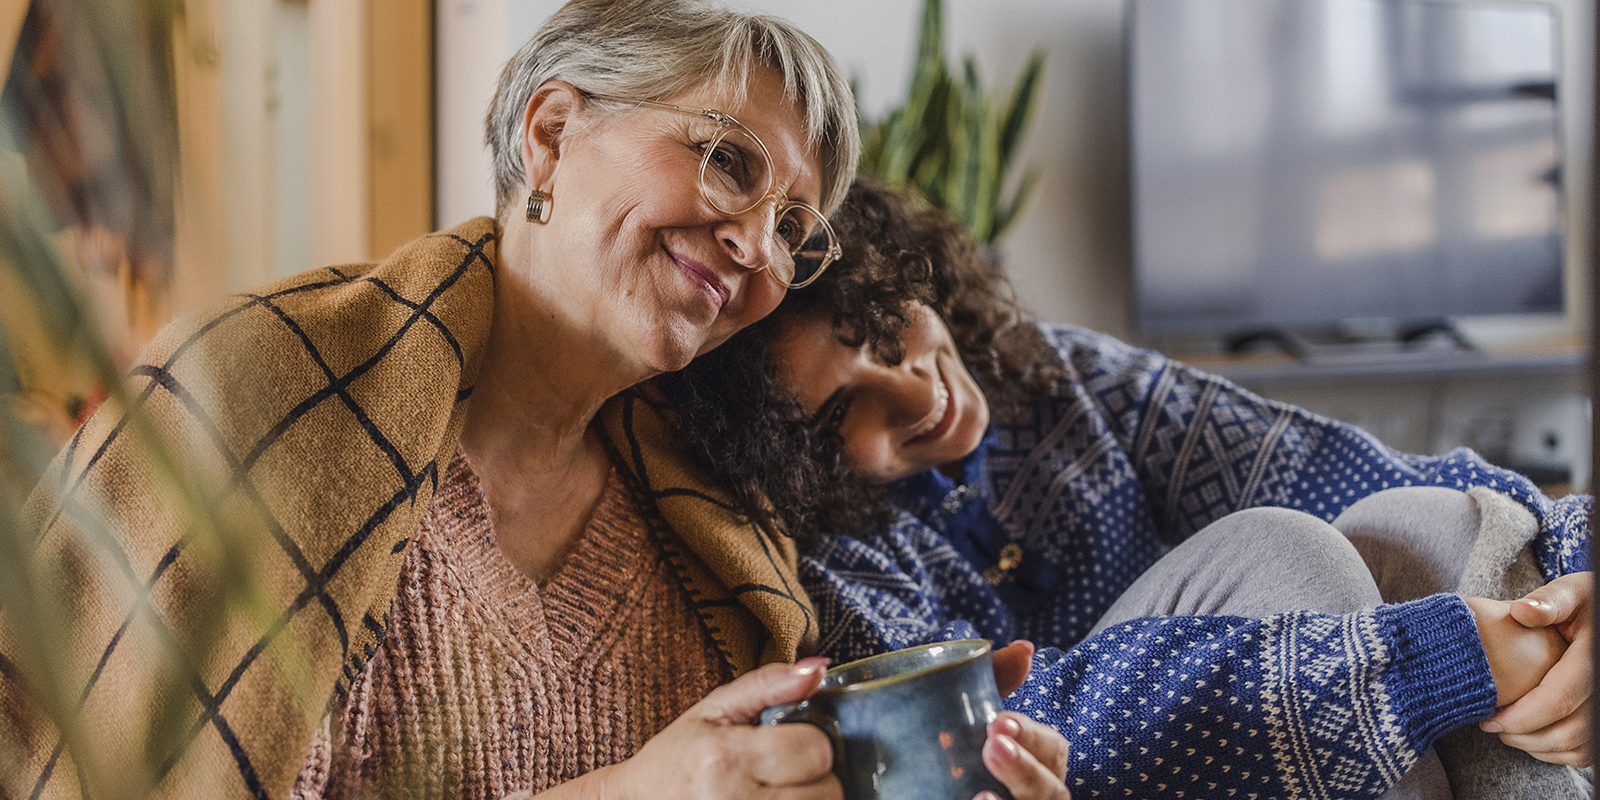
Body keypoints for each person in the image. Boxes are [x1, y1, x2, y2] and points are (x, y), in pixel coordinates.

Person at [0, 6, 1072, 800]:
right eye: (723, 160)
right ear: (549, 134)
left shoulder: (718, 516)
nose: (756, 246)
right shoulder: (253, 392)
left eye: (796, 227)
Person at [659, 180, 1595, 799]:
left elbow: (1359, 470)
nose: (916, 390)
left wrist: (1583, 586)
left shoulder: (1057, 376)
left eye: (880, 327)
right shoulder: (828, 566)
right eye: (839, 416)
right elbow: (1012, 729)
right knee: (1285, 554)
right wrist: (1431, 658)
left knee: (1419, 520)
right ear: (795, 466)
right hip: (1121, 770)